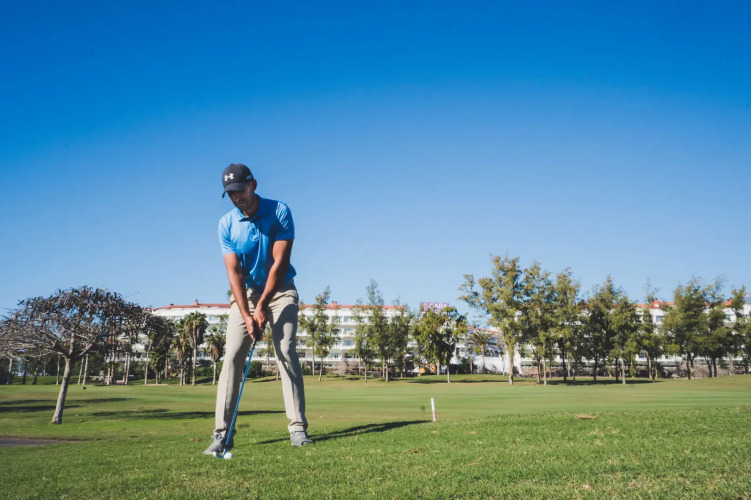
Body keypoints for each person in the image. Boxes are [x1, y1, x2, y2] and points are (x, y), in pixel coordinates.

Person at [203, 163, 312, 455]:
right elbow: (234, 272)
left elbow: (280, 263)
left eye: (239, 190)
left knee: (285, 350)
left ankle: (297, 428)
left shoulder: (279, 211)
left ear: (253, 184)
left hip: (281, 290)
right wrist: (248, 313)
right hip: (246, 294)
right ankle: (221, 434)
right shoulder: (226, 224)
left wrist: (262, 306)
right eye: (230, 194)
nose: (236, 197)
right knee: (232, 356)